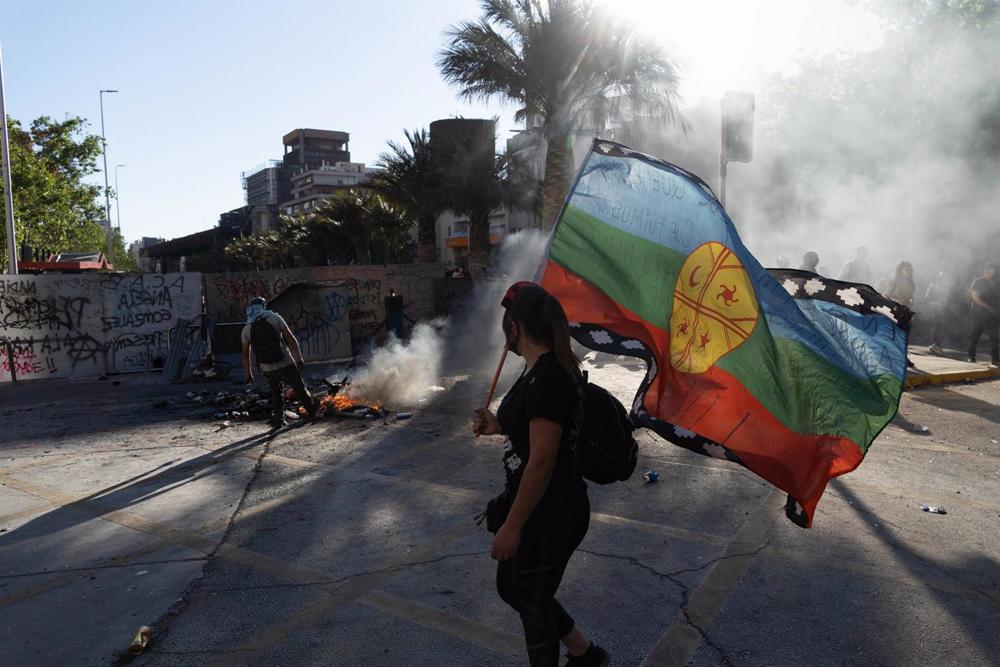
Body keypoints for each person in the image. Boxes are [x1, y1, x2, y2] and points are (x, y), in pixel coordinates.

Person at [472, 282, 607, 667]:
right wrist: (498, 425)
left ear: (516, 328)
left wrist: (512, 526)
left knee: (530, 596)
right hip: (541, 504)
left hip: (552, 510)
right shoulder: (537, 370)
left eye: (506, 325)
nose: (504, 333)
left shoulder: (549, 377)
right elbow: (533, 436)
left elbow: (543, 460)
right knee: (516, 588)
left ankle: (586, 657)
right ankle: (586, 653)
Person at [241, 297, 317, 427]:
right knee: (299, 387)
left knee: (276, 393)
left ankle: (278, 420)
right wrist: (298, 358)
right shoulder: (275, 318)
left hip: (267, 367)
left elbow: (245, 354)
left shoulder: (247, 328)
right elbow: (290, 339)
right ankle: (312, 411)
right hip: (285, 362)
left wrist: (248, 374)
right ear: (263, 306)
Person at [967, 261, 999, 365]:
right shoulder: (979, 282)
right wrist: (990, 308)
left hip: (992, 315)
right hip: (978, 313)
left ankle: (995, 359)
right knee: (975, 334)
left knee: (994, 336)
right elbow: (976, 298)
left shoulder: (996, 283)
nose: (995, 273)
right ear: (987, 271)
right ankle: (971, 356)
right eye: (993, 271)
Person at [924, 271, 949, 355]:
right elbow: (927, 297)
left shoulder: (947, 286)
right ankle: (933, 345)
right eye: (942, 276)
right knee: (937, 326)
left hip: (944, 308)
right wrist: (933, 303)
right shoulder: (933, 285)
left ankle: (937, 345)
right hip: (935, 308)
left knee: (942, 326)